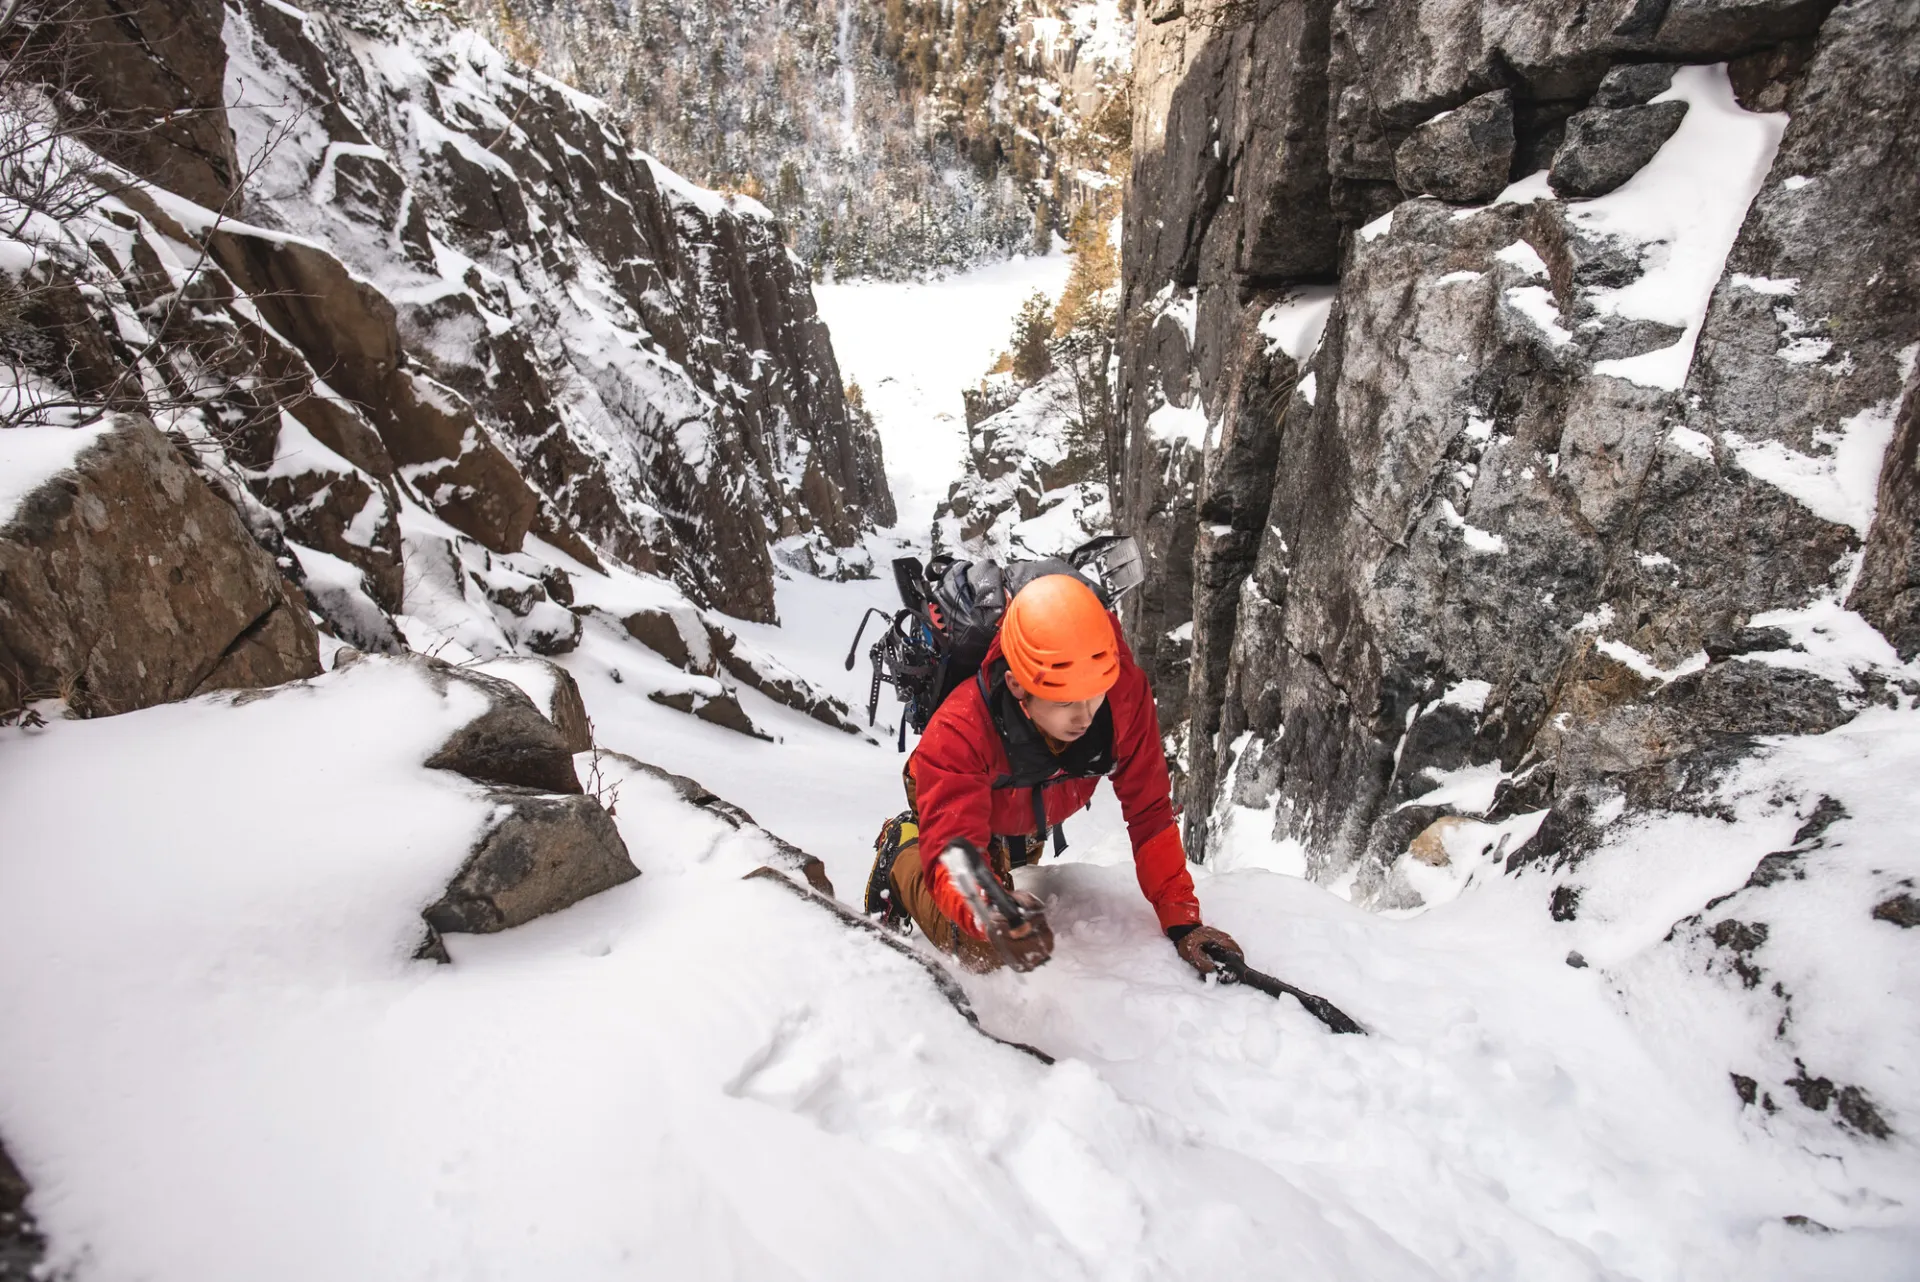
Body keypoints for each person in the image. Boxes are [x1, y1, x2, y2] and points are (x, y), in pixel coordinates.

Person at [864, 571, 1242, 975]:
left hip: (1037, 798)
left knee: (1013, 871)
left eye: (1093, 697)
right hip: (963, 799)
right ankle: (900, 850)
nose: (1083, 717)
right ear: (1017, 687)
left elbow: (1149, 812)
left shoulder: (1122, 694)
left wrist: (1182, 919)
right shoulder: (960, 730)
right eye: (1063, 703)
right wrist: (991, 908)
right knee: (982, 947)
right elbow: (954, 851)